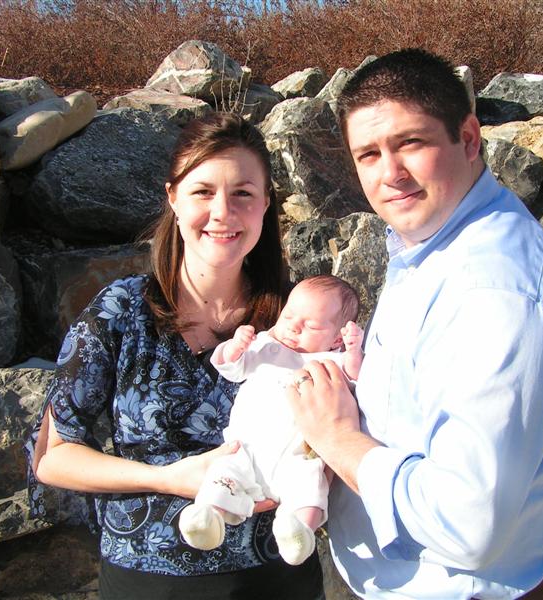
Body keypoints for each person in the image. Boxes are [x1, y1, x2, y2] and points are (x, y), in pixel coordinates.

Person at [287, 49, 543, 599]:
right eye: (368, 154)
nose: (390, 174)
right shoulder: (434, 245)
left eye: (411, 143)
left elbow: (467, 522)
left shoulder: (493, 290)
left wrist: (335, 438)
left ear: (469, 138)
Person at [25, 112, 324, 600]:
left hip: (278, 579)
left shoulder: (300, 318)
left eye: (243, 193)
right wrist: (166, 478)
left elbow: (345, 421)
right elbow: (53, 457)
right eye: (203, 191)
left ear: (266, 204)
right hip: (145, 583)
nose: (223, 211)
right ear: (173, 198)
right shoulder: (120, 311)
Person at [179, 275, 363, 567]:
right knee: (224, 472)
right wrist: (235, 346)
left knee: (310, 485)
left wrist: (354, 351)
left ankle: (299, 531)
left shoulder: (333, 361)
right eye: (288, 316)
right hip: (247, 446)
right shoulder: (266, 345)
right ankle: (208, 517)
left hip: (298, 453)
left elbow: (356, 379)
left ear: (336, 338)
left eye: (311, 326)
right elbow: (231, 368)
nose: (293, 327)